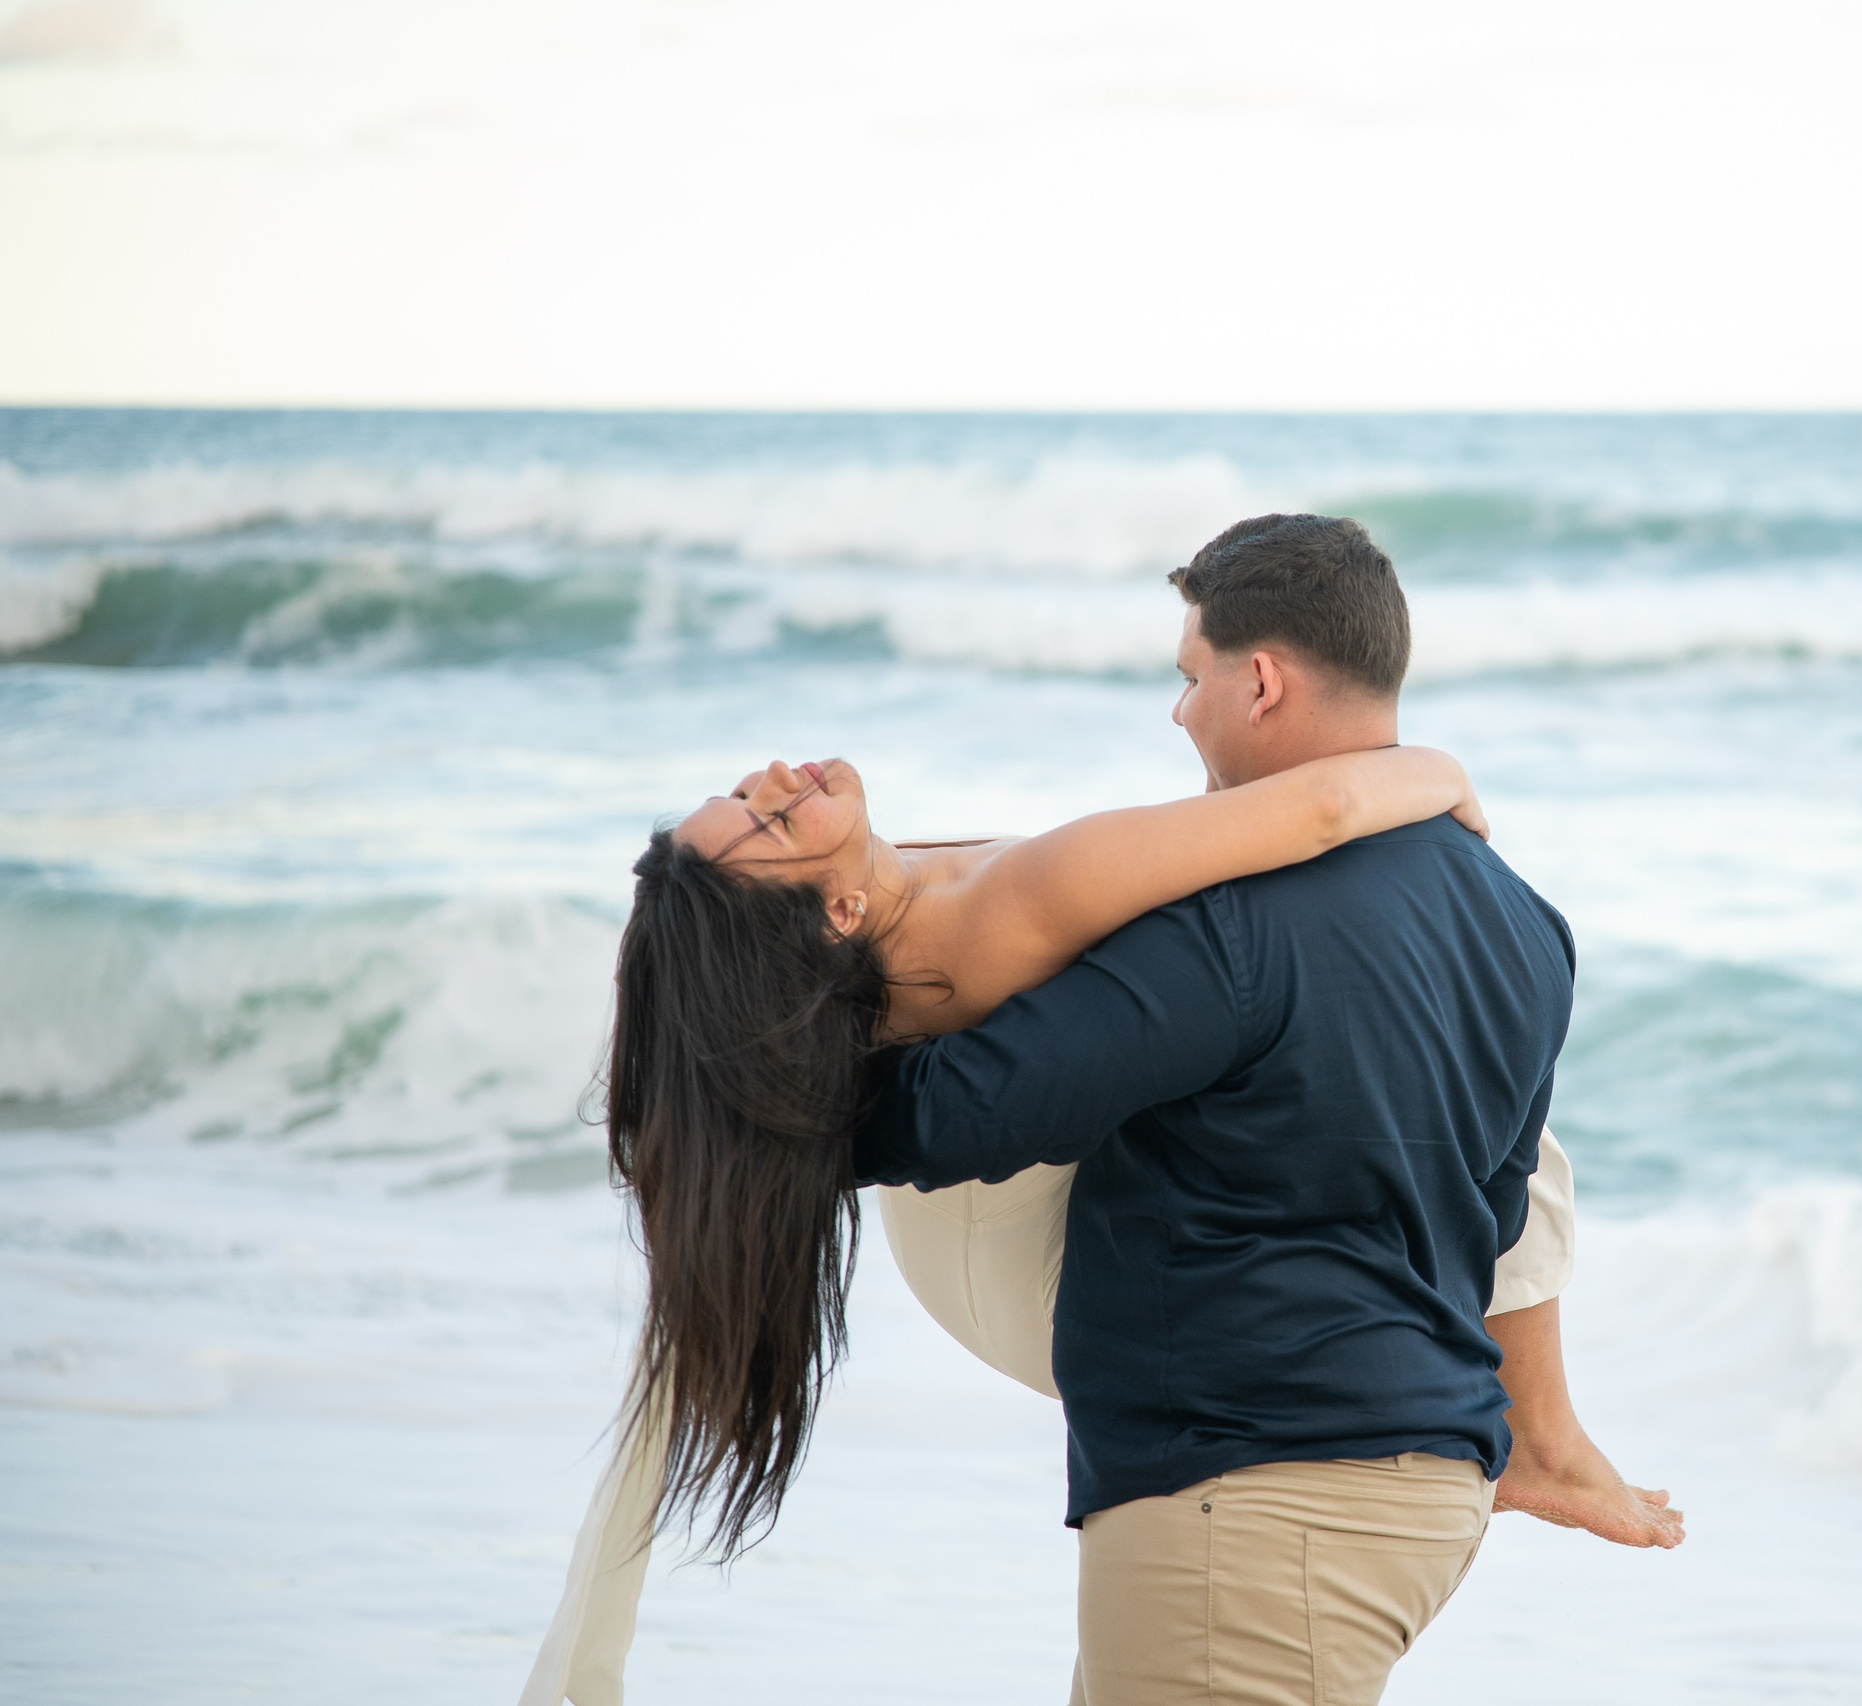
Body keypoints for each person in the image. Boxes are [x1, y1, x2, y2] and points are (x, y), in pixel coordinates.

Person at [518, 516, 1676, 1706]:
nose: (1178, 712)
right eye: (753, 815)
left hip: (1263, 1487)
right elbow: (1494, 1200)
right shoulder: (1520, 917)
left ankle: (1547, 1434)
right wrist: (1438, 775)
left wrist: (760, 1112)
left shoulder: (1217, 930)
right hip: (1417, 1479)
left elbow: (974, 1108)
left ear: (1261, 681)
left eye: (1189, 679)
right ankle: (1546, 1430)